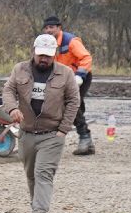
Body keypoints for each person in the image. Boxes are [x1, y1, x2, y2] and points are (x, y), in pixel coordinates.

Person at [2, 35, 82, 213]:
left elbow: (74, 101)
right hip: (27, 132)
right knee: (31, 174)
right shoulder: (20, 69)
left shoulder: (65, 74)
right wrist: (12, 109)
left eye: (48, 55)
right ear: (34, 52)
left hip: (52, 134)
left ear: (54, 54)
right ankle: (35, 210)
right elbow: (8, 90)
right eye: (40, 55)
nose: (44, 59)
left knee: (43, 173)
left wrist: (63, 129)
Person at [41, 16, 95, 155]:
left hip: (80, 76)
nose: (48, 30)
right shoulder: (46, 43)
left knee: (71, 104)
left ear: (59, 28)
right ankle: (86, 140)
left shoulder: (71, 41)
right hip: (62, 78)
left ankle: (84, 137)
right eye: (46, 28)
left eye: (51, 27)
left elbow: (86, 58)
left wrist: (79, 75)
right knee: (73, 106)